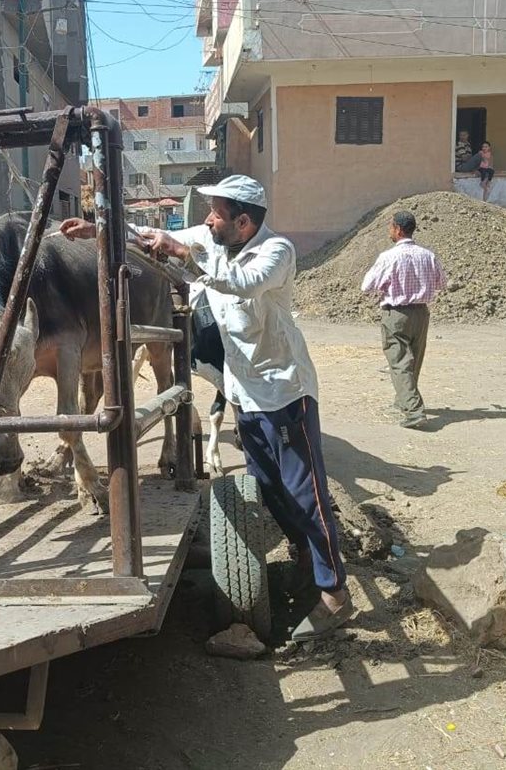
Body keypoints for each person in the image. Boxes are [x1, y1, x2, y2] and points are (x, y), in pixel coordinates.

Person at [59, 176, 353, 641]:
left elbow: (242, 284)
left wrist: (183, 253)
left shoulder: (276, 252)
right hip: (245, 392)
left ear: (243, 222)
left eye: (216, 213)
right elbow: (149, 234)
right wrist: (101, 229)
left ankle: (335, 592)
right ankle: (304, 558)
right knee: (268, 487)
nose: (208, 220)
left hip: (284, 392)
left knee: (305, 491)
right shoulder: (213, 239)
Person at [360, 210, 447, 430]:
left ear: (398, 229)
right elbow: (442, 283)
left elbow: (367, 286)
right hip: (421, 313)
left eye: (390, 227)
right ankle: (403, 400)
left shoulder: (389, 257)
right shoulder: (428, 255)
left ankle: (414, 411)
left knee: (399, 362)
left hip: (396, 314)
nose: (389, 231)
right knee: (413, 361)